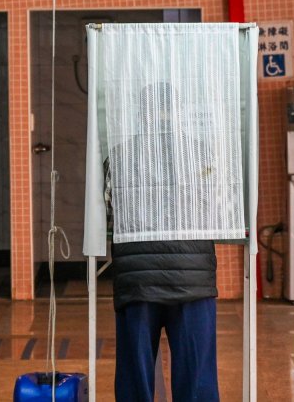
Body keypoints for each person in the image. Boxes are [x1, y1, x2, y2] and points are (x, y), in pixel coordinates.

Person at [105, 83, 220, 402]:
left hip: (137, 279)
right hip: (192, 278)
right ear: (179, 113)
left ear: (142, 114)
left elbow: (111, 213)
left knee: (135, 378)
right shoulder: (201, 153)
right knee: (196, 378)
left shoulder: (120, 155)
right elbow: (216, 207)